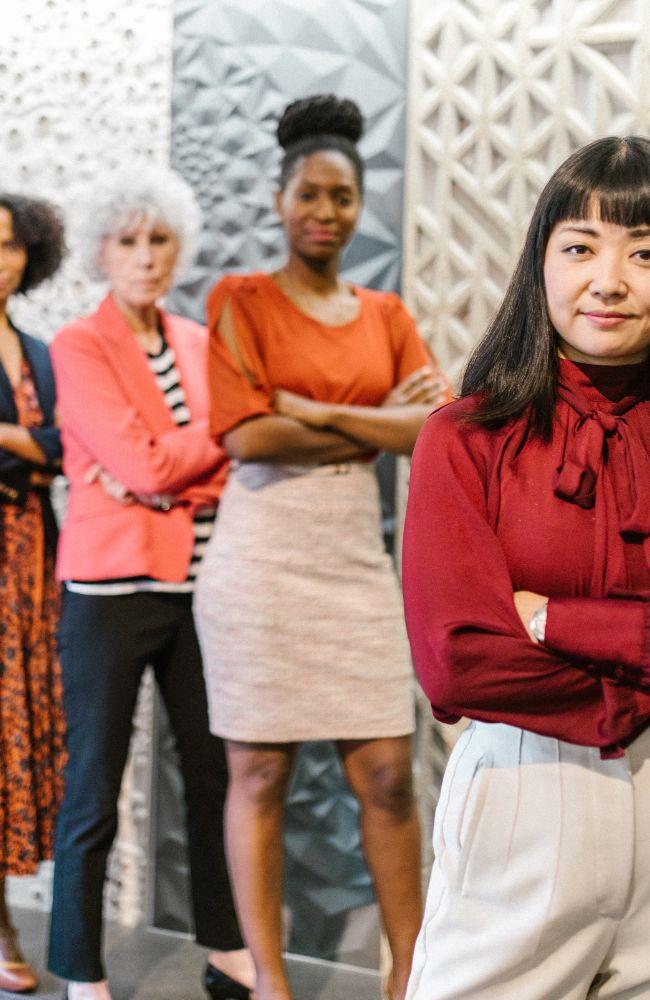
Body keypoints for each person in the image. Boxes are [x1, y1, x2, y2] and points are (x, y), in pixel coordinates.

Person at [194, 94, 451, 1000]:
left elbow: (432, 432)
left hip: (353, 560)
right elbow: (246, 437)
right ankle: (271, 982)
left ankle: (409, 974)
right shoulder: (240, 300)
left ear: (358, 206)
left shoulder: (385, 313)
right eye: (308, 193)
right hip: (260, 561)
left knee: (387, 776)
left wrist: (306, 407)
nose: (324, 211)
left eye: (341, 196)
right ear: (279, 200)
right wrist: (376, 417)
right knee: (260, 774)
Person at [402, 135, 650, 1000]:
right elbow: (458, 657)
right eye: (581, 248)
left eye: (645, 253)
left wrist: (550, 617)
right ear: (540, 261)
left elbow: (505, 634)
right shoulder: (465, 438)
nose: (609, 281)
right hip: (525, 790)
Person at [47, 166, 252, 1000]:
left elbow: (213, 462)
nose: (145, 256)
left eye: (159, 239)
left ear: (179, 247)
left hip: (199, 589)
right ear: (100, 250)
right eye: (127, 240)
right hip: (109, 595)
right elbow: (144, 462)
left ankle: (227, 946)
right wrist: (165, 466)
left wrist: (164, 473)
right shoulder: (78, 345)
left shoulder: (199, 342)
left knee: (214, 775)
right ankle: (79, 968)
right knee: (94, 787)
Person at [0, 193, 66, 994]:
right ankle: (3, 927)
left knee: (22, 731)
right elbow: (45, 446)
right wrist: (34, 446)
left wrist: (23, 443)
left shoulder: (43, 353)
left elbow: (66, 444)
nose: (2, 260)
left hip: (36, 561)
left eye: (13, 245)